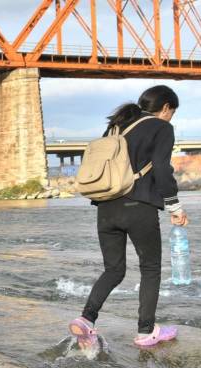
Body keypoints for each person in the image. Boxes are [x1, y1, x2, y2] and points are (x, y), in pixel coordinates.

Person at [69, 85, 189, 349]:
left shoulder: (117, 127)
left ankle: (87, 318)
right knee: (150, 268)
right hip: (139, 207)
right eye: (172, 112)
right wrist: (174, 207)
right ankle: (146, 331)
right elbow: (161, 168)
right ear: (166, 107)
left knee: (113, 270)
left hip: (106, 206)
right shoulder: (162, 127)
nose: (171, 118)